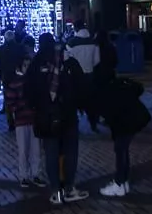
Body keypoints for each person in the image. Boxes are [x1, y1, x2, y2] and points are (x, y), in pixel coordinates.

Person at [25, 33, 89, 205]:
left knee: (51, 153)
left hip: (46, 116)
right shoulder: (68, 62)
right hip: (68, 114)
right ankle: (69, 187)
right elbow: (82, 87)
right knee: (70, 153)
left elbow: (28, 90)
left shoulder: (37, 63)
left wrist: (36, 107)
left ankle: (55, 191)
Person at [97, 74, 152, 197]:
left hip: (126, 122)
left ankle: (119, 183)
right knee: (123, 150)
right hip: (134, 119)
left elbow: (112, 118)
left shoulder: (105, 95)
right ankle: (123, 181)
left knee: (120, 151)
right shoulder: (118, 85)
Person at [5, 42, 46, 188]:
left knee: (36, 149)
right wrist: (22, 106)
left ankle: (36, 174)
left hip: (33, 119)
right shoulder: (15, 82)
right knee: (23, 150)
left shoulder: (33, 81)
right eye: (25, 65)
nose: (28, 68)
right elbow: (10, 102)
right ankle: (24, 175)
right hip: (22, 120)